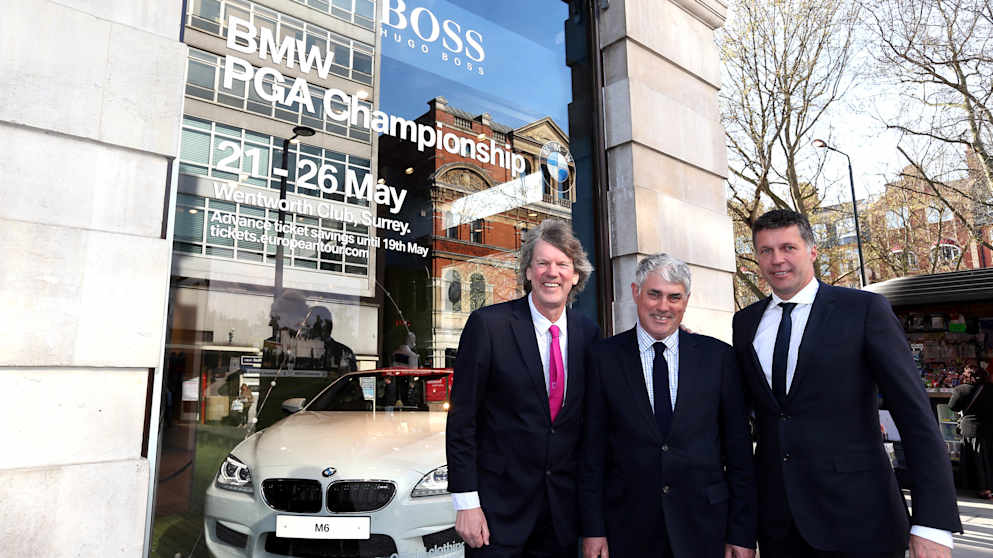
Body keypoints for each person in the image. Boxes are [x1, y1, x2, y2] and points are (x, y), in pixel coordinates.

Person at [732, 209, 961, 557]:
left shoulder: (864, 310)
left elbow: (915, 416)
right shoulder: (745, 323)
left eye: (788, 248)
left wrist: (933, 522)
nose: (777, 259)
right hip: (780, 524)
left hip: (861, 519)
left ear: (812, 251)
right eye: (766, 250)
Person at [581, 254, 756, 558]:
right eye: (654, 294)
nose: (663, 306)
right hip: (627, 529)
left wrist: (742, 533)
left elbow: (739, 453)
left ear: (686, 300)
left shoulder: (719, 358)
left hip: (705, 528)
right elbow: (591, 453)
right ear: (636, 292)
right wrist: (593, 529)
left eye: (674, 297)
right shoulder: (603, 358)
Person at [446, 219, 600, 557]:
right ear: (528, 271)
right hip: (496, 515)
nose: (552, 272)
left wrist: (677, 339)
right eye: (542, 263)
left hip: (560, 519)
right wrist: (466, 502)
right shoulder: (488, 326)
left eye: (562, 264)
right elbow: (462, 421)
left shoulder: (589, 333)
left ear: (575, 275)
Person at [949, 363, 993, 499]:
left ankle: (983, 488)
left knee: (977, 459)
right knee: (988, 458)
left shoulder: (961, 390)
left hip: (971, 429)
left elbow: (953, 407)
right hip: (989, 428)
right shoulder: (990, 388)